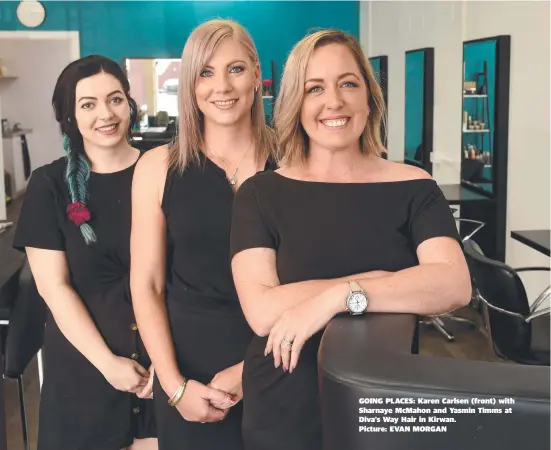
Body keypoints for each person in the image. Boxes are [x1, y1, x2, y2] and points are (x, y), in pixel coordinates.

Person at [230, 29, 472, 450]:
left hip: (388, 396)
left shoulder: (414, 186)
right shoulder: (260, 193)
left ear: (368, 98)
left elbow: (453, 285)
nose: (334, 102)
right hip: (284, 399)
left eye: (348, 83)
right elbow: (263, 310)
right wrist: (385, 281)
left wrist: (342, 295)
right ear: (295, 103)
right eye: (314, 88)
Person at [130, 19, 276, 450]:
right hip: (189, 374)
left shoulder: (293, 161)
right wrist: (174, 387)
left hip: (278, 361)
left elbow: (308, 278)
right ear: (190, 85)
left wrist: (250, 372)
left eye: (235, 69)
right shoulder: (157, 167)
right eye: (205, 73)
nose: (222, 87)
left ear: (255, 74)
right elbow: (147, 284)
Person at [12, 55, 157, 450]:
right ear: (70, 117)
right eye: (87, 104)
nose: (105, 114)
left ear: (129, 103)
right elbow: (54, 288)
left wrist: (168, 360)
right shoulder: (49, 185)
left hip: (163, 370)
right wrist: (109, 365)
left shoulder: (162, 170)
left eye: (114, 99)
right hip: (84, 371)